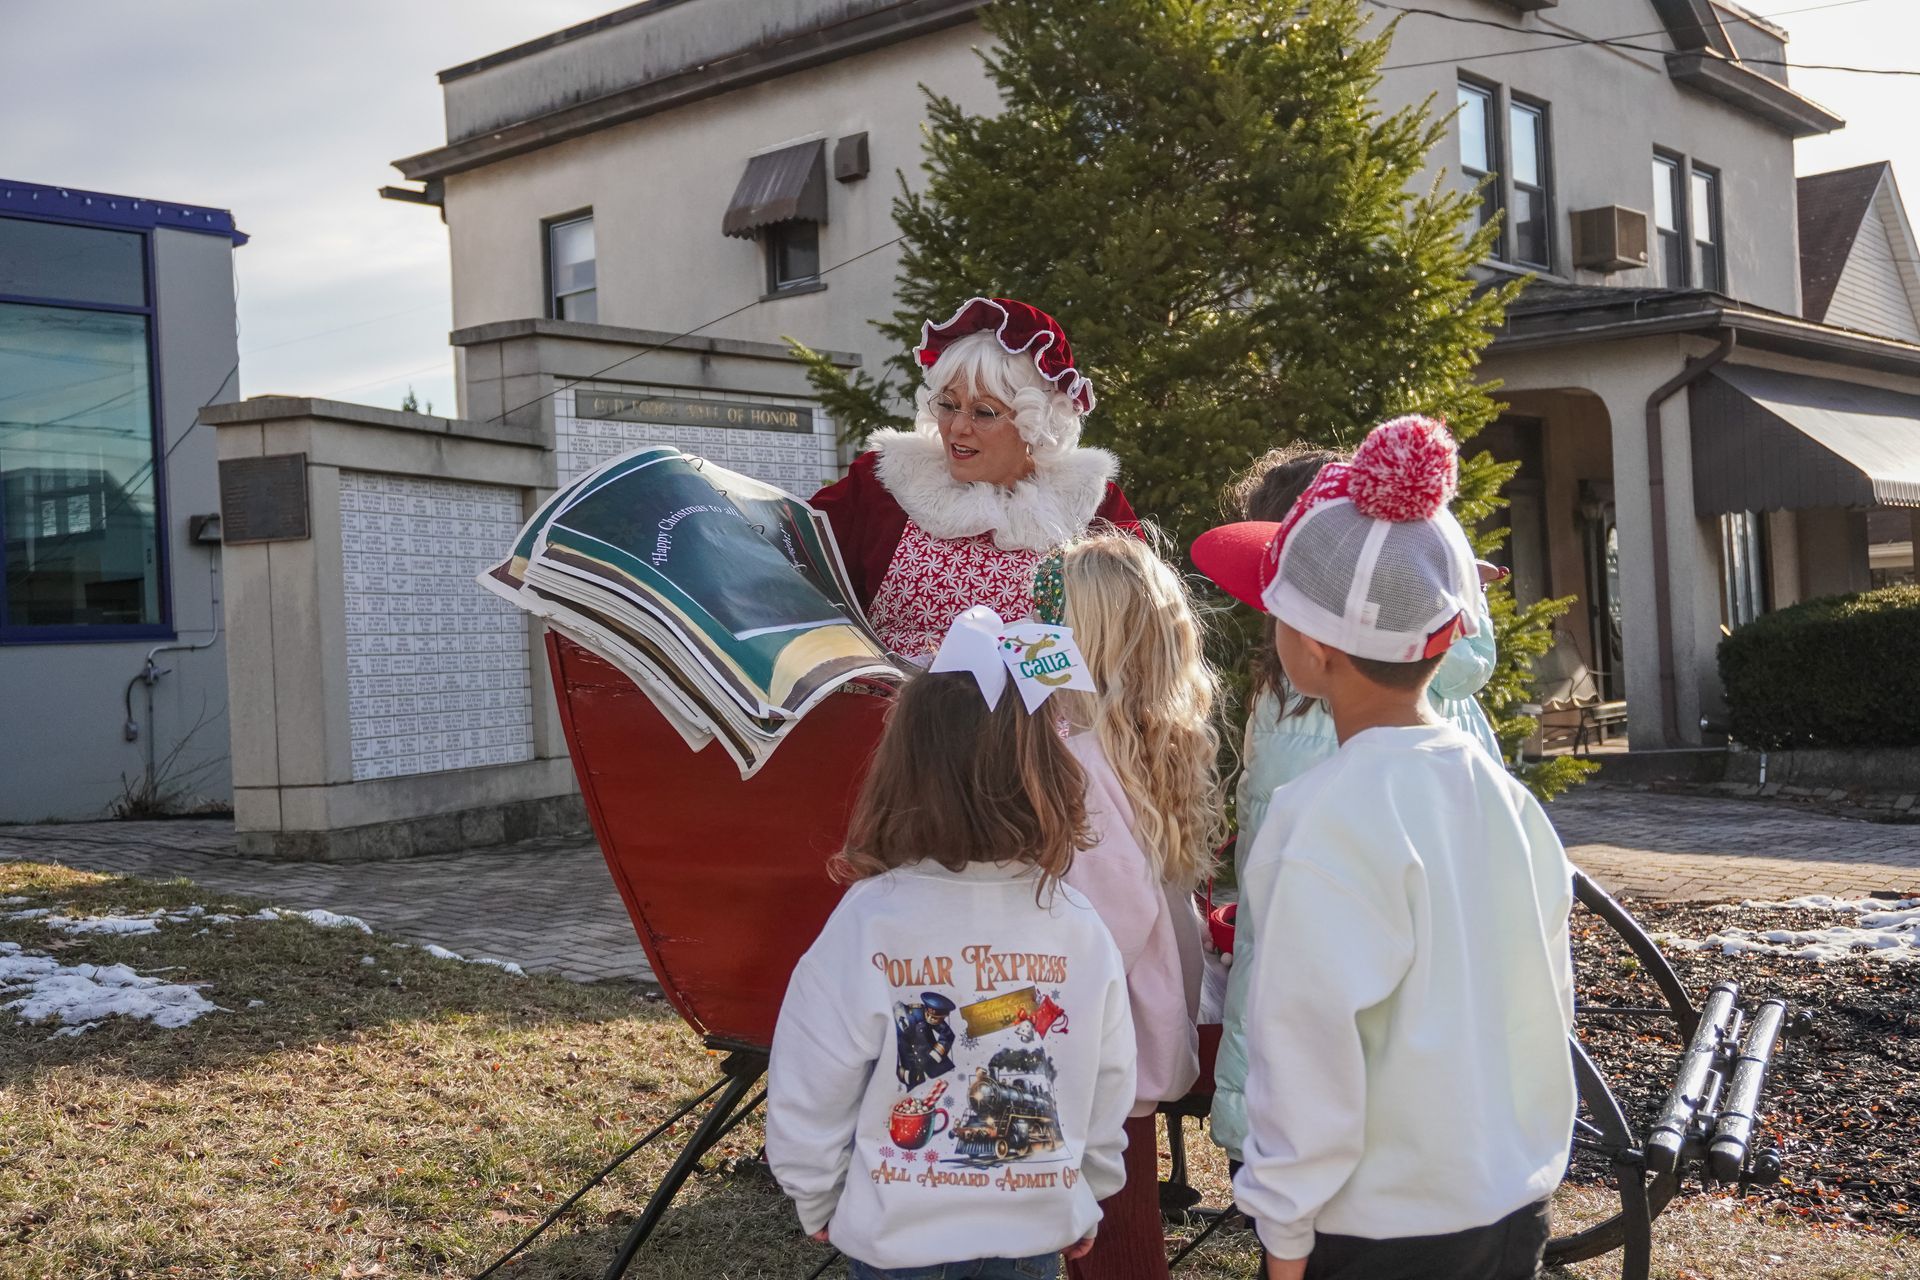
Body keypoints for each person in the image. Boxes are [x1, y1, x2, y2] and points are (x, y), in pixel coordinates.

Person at [1189, 416, 1577, 1280]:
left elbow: (1306, 1046)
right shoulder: (1506, 799)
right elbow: (1546, 999)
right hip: (1508, 1202)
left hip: (1369, 1228)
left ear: (1313, 646)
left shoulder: (1317, 813)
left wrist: (1283, 1235)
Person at [764, 609, 1138, 1280]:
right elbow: (1107, 1080)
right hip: (1032, 1234)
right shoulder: (1077, 923)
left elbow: (810, 1078)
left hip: (897, 1241)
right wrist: (1087, 1188)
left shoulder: (871, 922)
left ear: (903, 769)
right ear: (1047, 771)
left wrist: (815, 1193)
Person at [1207, 441, 1505, 1168]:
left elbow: (1277, 882)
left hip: (1318, 1062)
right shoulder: (1434, 676)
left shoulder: (1305, 707)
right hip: (1454, 1069)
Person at [1040, 534, 1224, 1280]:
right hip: (1126, 1025)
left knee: (1111, 1234)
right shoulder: (1129, 743)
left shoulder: (1074, 757)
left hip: (1094, 1036)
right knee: (1114, 1214)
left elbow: (1104, 916)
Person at [811, 297, 1139, 660]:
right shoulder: (884, 484)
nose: (958, 427)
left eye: (984, 412)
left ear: (1033, 422)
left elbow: (1136, 631)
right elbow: (791, 563)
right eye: (948, 405)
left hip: (1030, 717)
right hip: (886, 712)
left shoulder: (1093, 507)